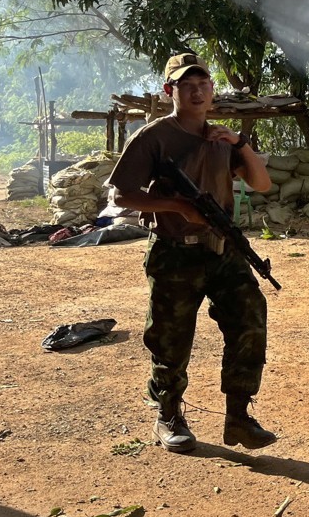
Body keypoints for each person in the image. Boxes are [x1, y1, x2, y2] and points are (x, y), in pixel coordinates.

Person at [109, 52, 276, 453]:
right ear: (171, 91)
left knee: (249, 322)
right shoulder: (154, 137)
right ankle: (168, 415)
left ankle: (238, 417)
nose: (198, 91)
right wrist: (179, 207)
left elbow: (262, 184)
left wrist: (242, 144)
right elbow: (123, 195)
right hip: (175, 253)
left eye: (204, 84)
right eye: (187, 85)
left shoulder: (221, 137)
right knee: (171, 339)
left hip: (223, 251)